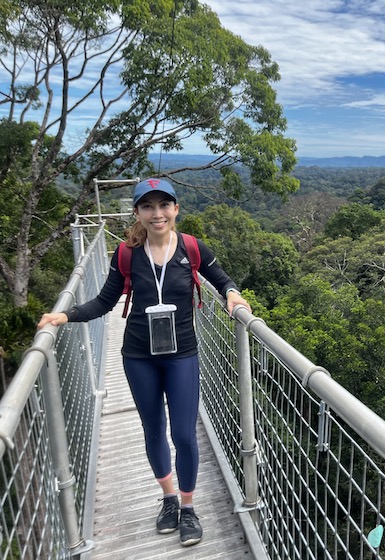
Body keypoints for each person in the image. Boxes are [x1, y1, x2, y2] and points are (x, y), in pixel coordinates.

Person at [38, 178, 251, 547]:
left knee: (183, 435)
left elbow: (222, 279)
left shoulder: (191, 249)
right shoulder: (126, 254)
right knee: (153, 429)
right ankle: (168, 499)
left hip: (182, 354)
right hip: (138, 355)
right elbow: (105, 301)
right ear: (137, 212)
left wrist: (233, 296)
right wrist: (65, 316)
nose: (157, 214)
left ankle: (188, 507)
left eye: (164, 205)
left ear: (176, 209)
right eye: (148, 207)